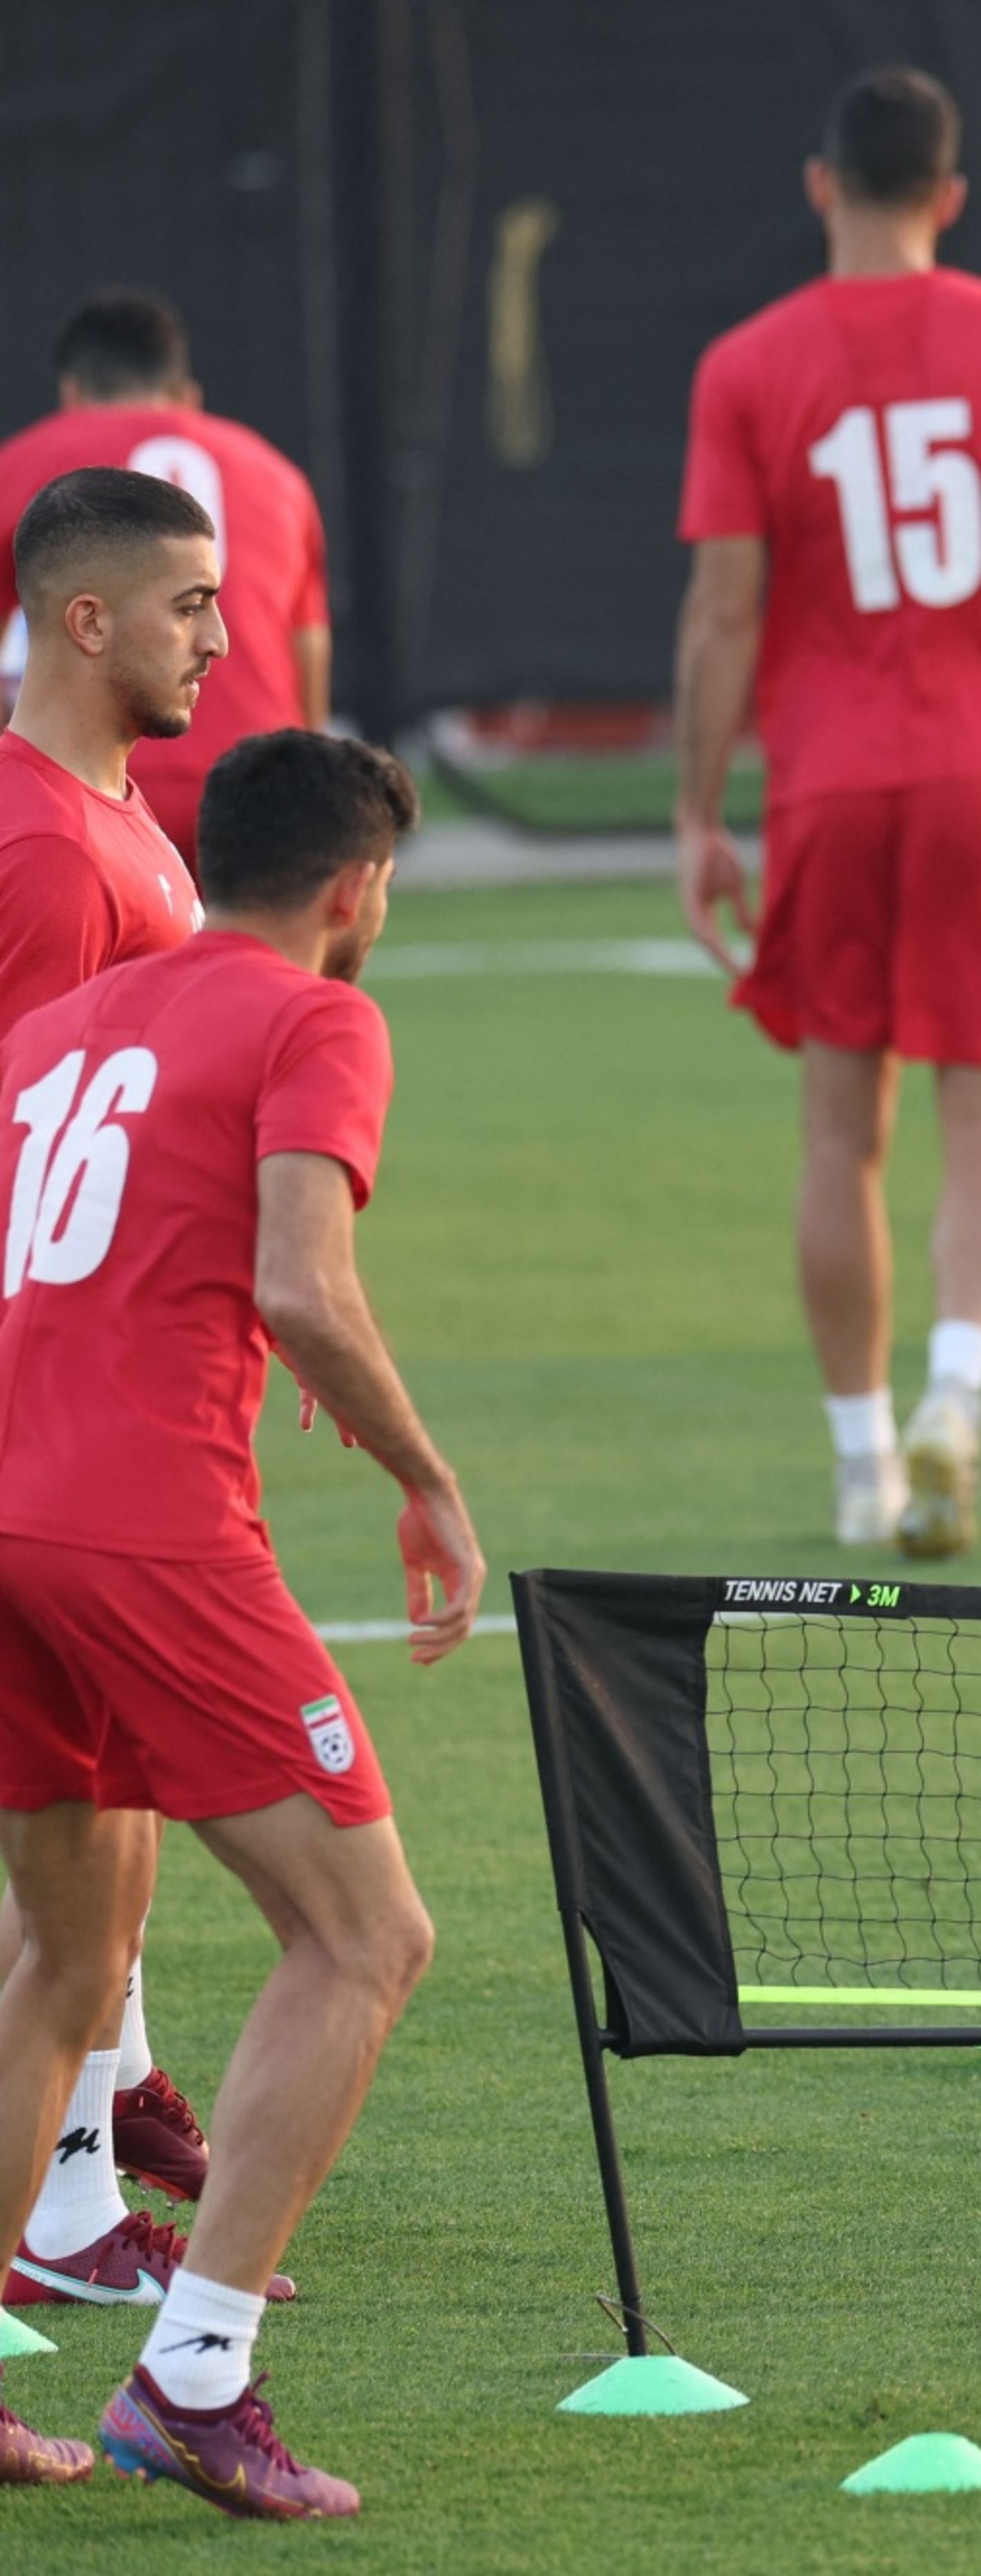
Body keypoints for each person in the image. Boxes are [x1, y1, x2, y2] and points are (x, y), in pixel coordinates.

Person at [0, 728, 477, 2514]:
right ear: (356, 892)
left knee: (65, 1960)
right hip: (145, 1537)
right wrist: (424, 1475)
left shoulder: (56, 1028)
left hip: (9, 1515)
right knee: (366, 1938)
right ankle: (196, 2376)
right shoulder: (317, 1016)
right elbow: (301, 1279)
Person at [674, 66, 981, 1558]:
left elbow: (723, 610)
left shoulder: (747, 363)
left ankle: (858, 1455)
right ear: (953, 198)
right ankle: (958, 1389)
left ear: (820, 186)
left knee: (841, 1132)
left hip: (829, 777)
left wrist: (699, 810)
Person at [0, 470, 221, 2307]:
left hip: (108, 1406)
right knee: (66, 1832)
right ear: (89, 622)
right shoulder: (50, 859)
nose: (217, 639)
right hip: (52, 1419)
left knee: (103, 1812)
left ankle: (87, 2167)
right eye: (188, 608)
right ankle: (64, 2213)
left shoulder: (119, 816)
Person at [0, 291, 334, 856]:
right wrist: (306, 776)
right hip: (261, 782)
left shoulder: (20, 464)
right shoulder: (277, 473)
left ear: (72, 392)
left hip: (89, 789)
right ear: (188, 396)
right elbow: (309, 644)